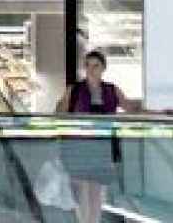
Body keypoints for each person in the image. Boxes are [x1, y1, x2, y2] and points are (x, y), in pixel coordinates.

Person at [54, 50, 128, 223]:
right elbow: (60, 112)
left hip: (101, 149)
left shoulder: (112, 90)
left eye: (96, 65)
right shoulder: (74, 90)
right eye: (88, 65)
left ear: (104, 68)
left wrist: (157, 111)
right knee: (81, 192)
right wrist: (62, 105)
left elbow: (131, 107)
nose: (91, 69)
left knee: (96, 192)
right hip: (78, 148)